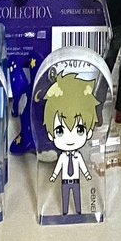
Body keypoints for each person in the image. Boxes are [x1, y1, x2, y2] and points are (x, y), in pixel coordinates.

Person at [44, 73, 99, 216]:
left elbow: (82, 166)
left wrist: (87, 174)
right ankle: (65, 212)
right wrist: (54, 176)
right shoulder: (63, 157)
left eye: (80, 130)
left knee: (77, 196)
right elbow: (58, 167)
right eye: (60, 131)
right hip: (64, 181)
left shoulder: (78, 156)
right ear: (51, 134)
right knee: (65, 197)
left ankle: (79, 211)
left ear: (88, 132)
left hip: (76, 181)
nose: (70, 139)